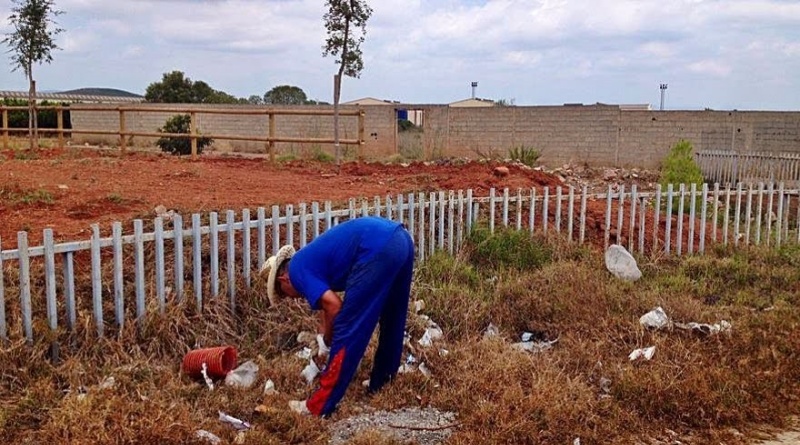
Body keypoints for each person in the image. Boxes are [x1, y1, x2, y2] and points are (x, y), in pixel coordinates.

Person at [260, 216, 415, 417]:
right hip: (400, 239)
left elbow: (334, 307)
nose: (291, 298)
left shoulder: (297, 271)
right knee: (393, 315)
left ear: (283, 280)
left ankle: (318, 406)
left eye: (283, 294)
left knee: (348, 328)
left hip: (375, 249)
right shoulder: (308, 260)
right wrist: (323, 343)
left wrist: (330, 342)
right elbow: (326, 308)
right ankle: (383, 380)